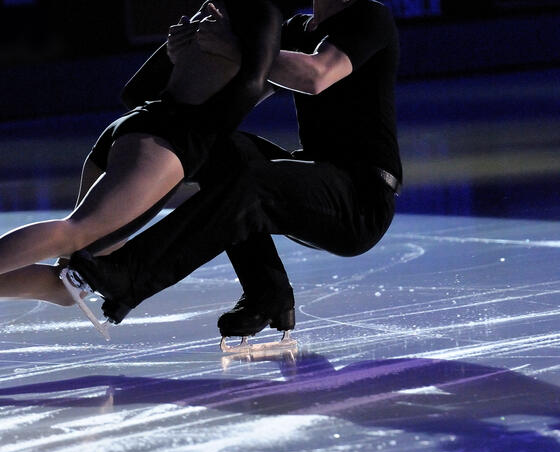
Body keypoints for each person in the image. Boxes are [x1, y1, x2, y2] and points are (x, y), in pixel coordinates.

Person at [0, 0, 302, 346]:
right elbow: (250, 84)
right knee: (79, 231)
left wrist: (188, 65)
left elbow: (134, 91)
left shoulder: (203, 16)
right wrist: (209, 128)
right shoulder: (260, 11)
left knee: (69, 285)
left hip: (135, 130)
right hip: (172, 137)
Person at [66, 0, 403, 349]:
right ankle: (267, 293)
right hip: (315, 174)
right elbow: (230, 89)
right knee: (217, 148)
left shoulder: (369, 15)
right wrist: (180, 55)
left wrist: (235, 47)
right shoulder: (295, 30)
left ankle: (131, 275)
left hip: (361, 197)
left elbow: (316, 75)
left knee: (254, 184)